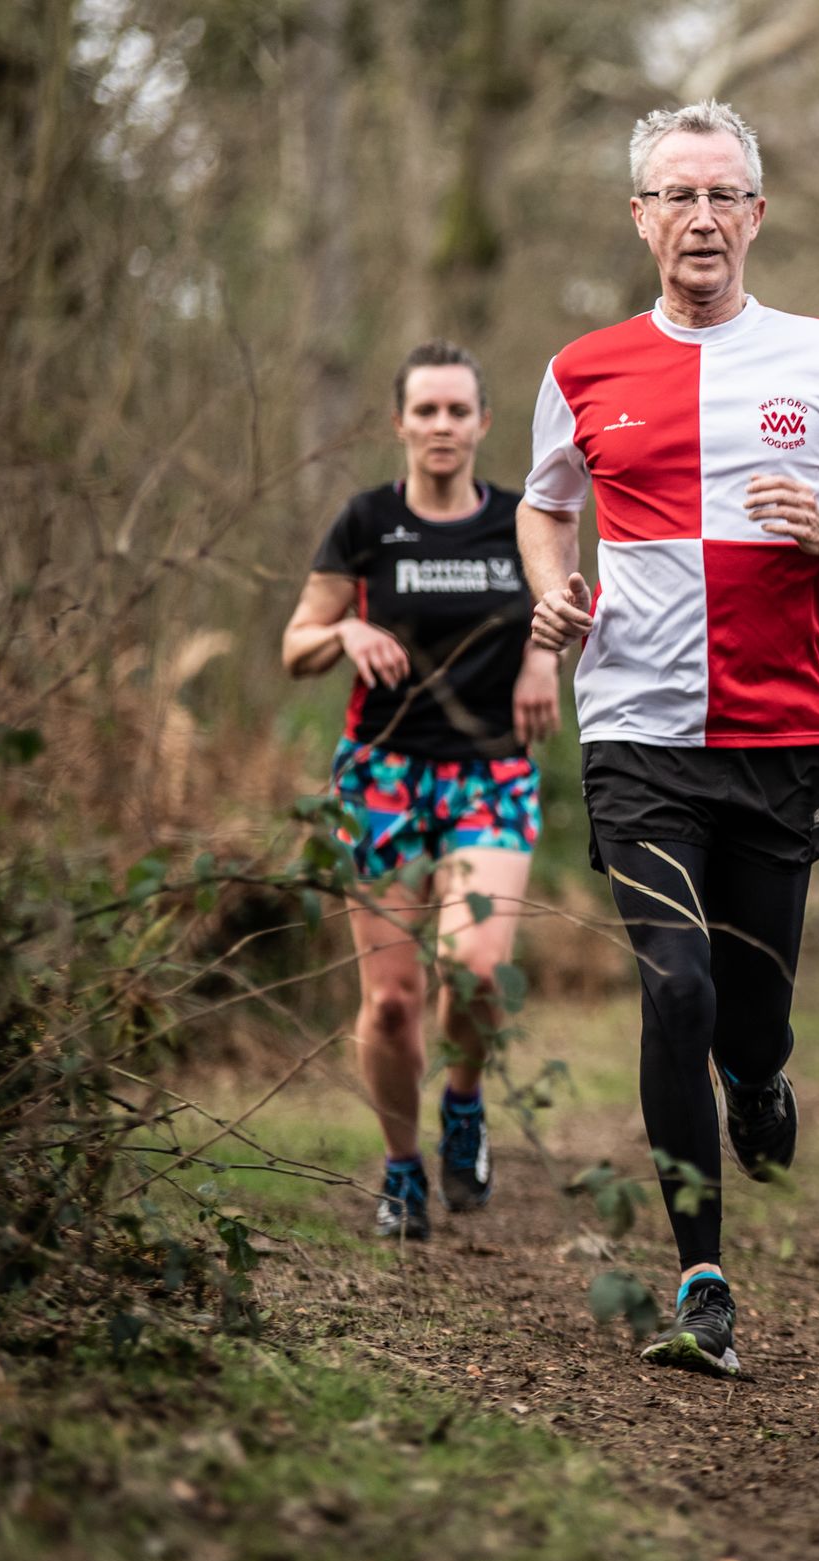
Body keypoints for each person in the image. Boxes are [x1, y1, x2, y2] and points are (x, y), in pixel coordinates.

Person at [519, 100, 819, 1378]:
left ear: (757, 214)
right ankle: (702, 1281)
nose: (701, 217)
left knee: (750, 1018)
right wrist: (552, 589)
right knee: (676, 985)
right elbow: (544, 505)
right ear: (641, 218)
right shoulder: (582, 370)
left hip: (779, 733)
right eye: (676, 196)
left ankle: (758, 1079)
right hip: (636, 731)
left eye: (722, 195)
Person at [282, 341, 559, 1241]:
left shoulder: (520, 520)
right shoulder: (366, 522)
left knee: (473, 970)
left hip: (491, 771)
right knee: (393, 998)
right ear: (400, 422)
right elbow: (295, 644)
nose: (443, 425)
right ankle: (402, 1169)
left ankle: (464, 1103)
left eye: (458, 411)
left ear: (483, 423)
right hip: (383, 774)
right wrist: (344, 635)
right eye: (427, 410)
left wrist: (542, 659)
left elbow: (566, 607)